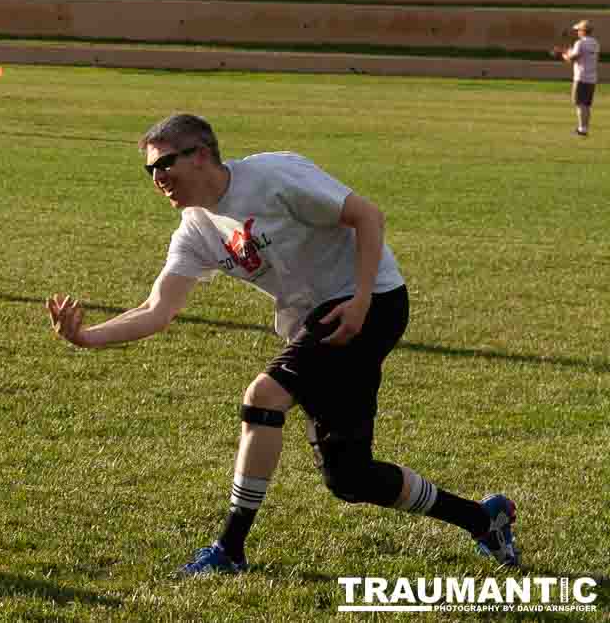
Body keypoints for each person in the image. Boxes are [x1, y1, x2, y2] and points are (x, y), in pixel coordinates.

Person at [46, 113, 520, 575]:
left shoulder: (272, 176)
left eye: (165, 163)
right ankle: (482, 519)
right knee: (350, 478)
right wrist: (85, 337)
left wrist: (360, 300)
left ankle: (229, 549)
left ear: (202, 155)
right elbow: (157, 309)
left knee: (264, 395)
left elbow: (368, 216)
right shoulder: (196, 229)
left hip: (371, 301)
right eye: (150, 170)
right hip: (317, 321)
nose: (158, 177)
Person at [553, 20, 599, 136]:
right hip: (592, 78)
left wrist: (561, 54)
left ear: (583, 31)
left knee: (579, 104)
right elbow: (580, 54)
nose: (577, 32)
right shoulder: (595, 43)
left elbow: (572, 58)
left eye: (578, 30)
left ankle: (581, 129)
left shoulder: (580, 43)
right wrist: (567, 51)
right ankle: (584, 128)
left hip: (581, 77)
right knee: (586, 105)